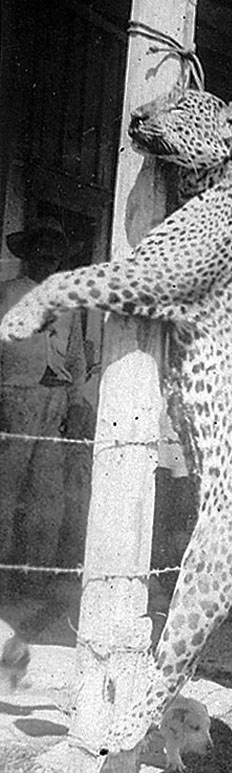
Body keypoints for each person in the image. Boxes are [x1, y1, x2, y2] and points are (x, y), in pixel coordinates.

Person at [0, 217, 86, 593]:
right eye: (40, 253)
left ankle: (34, 574)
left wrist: (74, 398)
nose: (46, 261)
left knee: (47, 492)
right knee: (7, 487)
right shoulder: (7, 293)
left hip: (55, 401)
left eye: (54, 256)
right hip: (17, 395)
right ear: (28, 255)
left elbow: (77, 357)